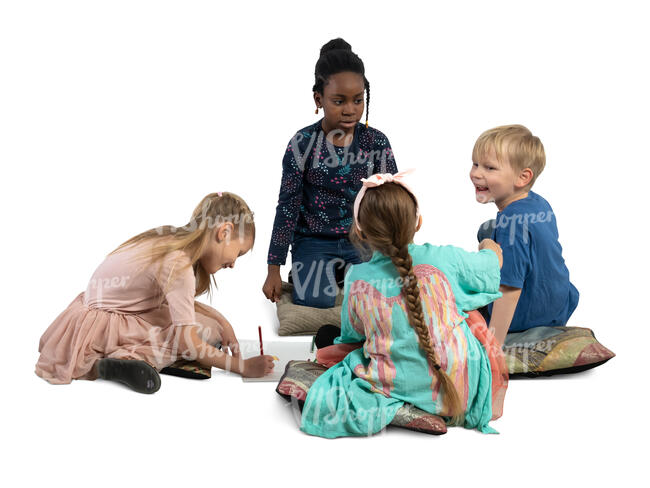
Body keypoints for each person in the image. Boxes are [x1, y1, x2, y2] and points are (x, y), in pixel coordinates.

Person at [299, 171, 508, 438]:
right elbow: (493, 266)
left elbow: (352, 337)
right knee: (468, 312)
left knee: (337, 344)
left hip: (395, 383)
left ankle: (410, 404)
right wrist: (488, 244)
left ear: (360, 229)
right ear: (418, 222)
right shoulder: (445, 259)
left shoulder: (357, 278)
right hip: (462, 387)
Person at [35, 192, 275, 393]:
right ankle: (114, 363)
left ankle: (120, 359)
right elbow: (187, 340)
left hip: (89, 315)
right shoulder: (179, 264)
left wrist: (223, 321)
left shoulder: (172, 239)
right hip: (102, 325)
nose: (234, 264)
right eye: (239, 253)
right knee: (199, 335)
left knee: (211, 327)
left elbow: (180, 303)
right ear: (224, 232)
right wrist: (242, 366)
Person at [263, 38, 398, 309]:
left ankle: (343, 272)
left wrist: (399, 251)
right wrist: (274, 268)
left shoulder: (376, 142)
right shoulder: (302, 143)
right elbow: (287, 207)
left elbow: (393, 199)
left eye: (358, 100)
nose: (350, 109)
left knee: (377, 298)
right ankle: (313, 270)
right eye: (339, 101)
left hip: (361, 238)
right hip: (313, 238)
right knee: (316, 300)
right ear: (319, 99)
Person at [470, 125, 579, 345]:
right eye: (475, 164)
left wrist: (494, 344)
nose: (476, 174)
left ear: (522, 177)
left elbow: (509, 288)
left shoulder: (511, 226)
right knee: (487, 230)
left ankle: (512, 329)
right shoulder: (538, 203)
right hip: (561, 303)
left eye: (490, 168)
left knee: (459, 299)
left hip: (527, 316)